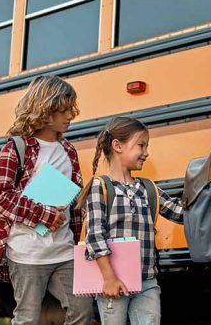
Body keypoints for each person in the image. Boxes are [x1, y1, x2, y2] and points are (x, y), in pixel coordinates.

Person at [0, 75, 93, 325]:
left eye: (70, 109)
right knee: (27, 319)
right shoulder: (18, 148)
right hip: (27, 254)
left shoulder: (69, 150)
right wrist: (44, 215)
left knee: (83, 310)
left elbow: (73, 199)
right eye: (63, 110)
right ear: (44, 109)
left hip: (64, 249)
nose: (69, 116)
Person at [76, 117, 184, 325]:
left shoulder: (148, 188)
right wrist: (108, 278)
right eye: (141, 145)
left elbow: (178, 212)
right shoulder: (102, 186)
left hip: (147, 281)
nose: (146, 152)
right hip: (114, 281)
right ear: (117, 146)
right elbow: (95, 235)